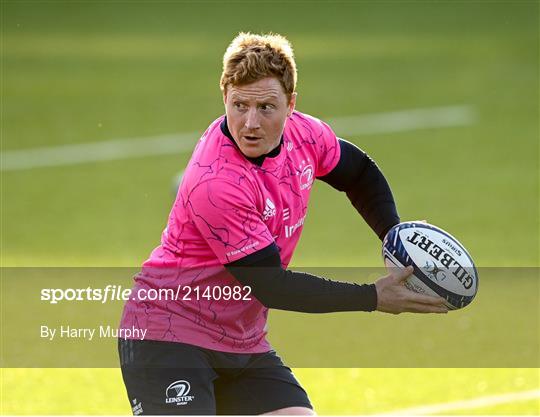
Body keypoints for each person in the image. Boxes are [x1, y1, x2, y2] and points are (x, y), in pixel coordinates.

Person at [118, 32, 448, 416]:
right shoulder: (216, 183)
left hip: (241, 342)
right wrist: (372, 297)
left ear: (292, 105)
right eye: (239, 105)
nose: (250, 123)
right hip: (167, 335)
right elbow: (272, 285)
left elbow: (359, 173)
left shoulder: (306, 135)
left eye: (266, 107)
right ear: (224, 96)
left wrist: (396, 240)